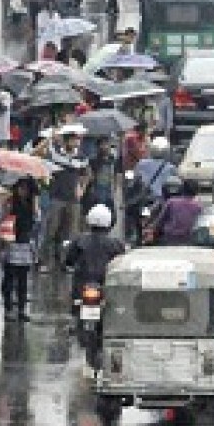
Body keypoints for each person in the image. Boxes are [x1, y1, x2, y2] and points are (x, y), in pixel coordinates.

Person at [40, 125, 88, 272]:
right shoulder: (54, 154)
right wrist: (51, 138)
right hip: (57, 197)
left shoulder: (81, 157)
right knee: (51, 231)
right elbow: (41, 156)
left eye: (77, 139)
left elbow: (85, 175)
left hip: (73, 200)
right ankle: (45, 261)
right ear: (66, 140)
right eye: (73, 139)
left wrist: (82, 187)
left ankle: (65, 262)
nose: (76, 142)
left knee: (69, 233)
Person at [65, 204, 125, 301]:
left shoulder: (79, 240)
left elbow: (69, 260)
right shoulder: (116, 244)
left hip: (83, 285)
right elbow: (121, 265)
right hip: (105, 283)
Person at [2, 178, 37, 322]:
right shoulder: (10, 203)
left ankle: (21, 309)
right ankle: (8, 308)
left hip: (25, 243)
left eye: (26, 188)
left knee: (23, 279)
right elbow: (4, 220)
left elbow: (35, 220)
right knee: (9, 278)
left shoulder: (31, 203)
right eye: (21, 188)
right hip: (11, 242)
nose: (23, 191)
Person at [152, 179, 202, 245]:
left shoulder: (171, 202)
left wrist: (153, 228)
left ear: (182, 189)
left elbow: (160, 221)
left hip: (169, 238)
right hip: (188, 239)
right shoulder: (198, 207)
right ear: (196, 192)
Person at [83, 137, 118, 227]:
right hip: (96, 193)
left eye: (107, 144)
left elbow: (115, 175)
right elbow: (89, 176)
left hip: (108, 192)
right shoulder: (93, 160)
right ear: (98, 147)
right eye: (103, 144)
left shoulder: (112, 159)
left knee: (111, 218)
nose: (105, 147)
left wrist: (115, 188)